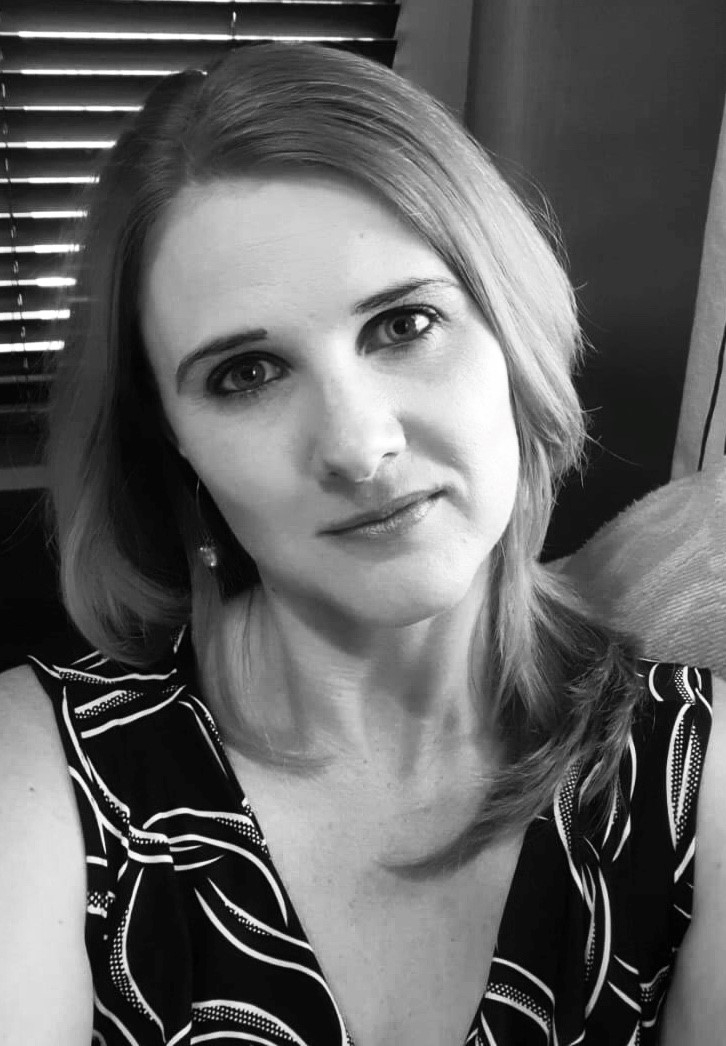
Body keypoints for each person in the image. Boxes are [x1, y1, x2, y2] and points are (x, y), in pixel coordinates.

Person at [0, 41, 724, 1046]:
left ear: (511, 331)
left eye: (404, 323)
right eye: (247, 374)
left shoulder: (701, 776)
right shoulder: (34, 774)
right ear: (172, 443)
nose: (357, 444)